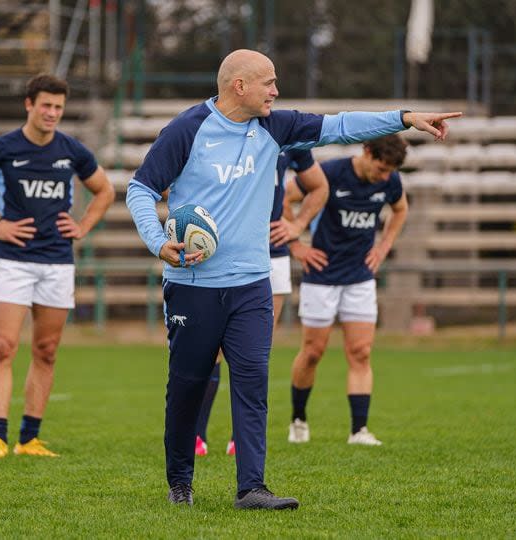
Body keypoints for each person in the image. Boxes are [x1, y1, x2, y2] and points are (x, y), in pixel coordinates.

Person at [126, 48, 459, 509]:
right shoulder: (187, 129)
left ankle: (252, 488)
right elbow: (141, 188)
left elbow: (341, 125)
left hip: (251, 284)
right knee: (188, 385)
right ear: (238, 85)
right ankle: (180, 483)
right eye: (269, 82)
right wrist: (156, 239)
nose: (276, 92)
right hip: (193, 285)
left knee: (252, 382)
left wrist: (404, 117)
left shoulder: (275, 126)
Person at [0, 74, 115, 459]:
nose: (52, 113)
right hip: (14, 262)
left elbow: (106, 190)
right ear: (29, 105)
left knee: (47, 350)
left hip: (57, 263)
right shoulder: (1, 148)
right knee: (3, 347)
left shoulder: (72, 151)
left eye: (58, 107)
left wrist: (83, 225)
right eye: (46, 106)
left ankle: (29, 439)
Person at [194, 151, 328, 458]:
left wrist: (296, 230)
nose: (271, 98)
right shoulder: (219, 132)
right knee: (208, 349)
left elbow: (319, 186)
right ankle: (197, 434)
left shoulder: (286, 135)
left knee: (253, 352)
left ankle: (239, 438)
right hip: (224, 251)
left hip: (272, 255)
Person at [286, 135, 409, 447]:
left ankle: (359, 430)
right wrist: (295, 244)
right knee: (313, 352)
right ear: (366, 152)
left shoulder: (390, 180)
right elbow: (286, 197)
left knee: (361, 352)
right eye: (381, 169)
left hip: (360, 277)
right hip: (321, 275)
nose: (384, 177)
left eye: (389, 172)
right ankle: (298, 419)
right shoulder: (330, 172)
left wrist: (384, 247)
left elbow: (400, 209)